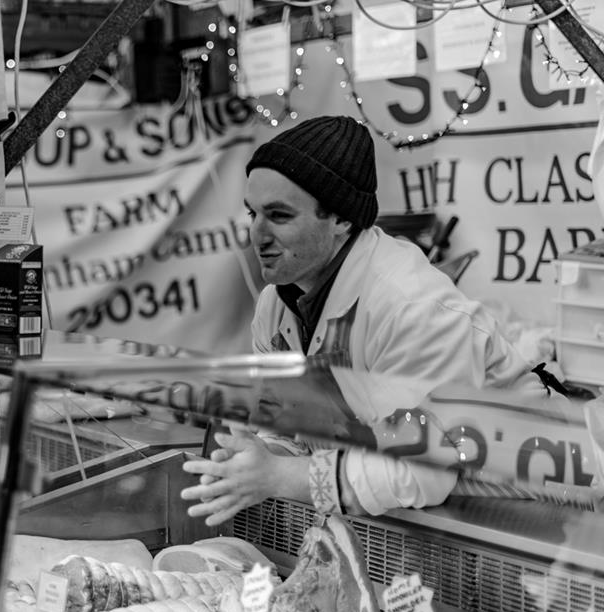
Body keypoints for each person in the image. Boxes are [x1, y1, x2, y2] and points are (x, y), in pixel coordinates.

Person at [182, 115, 546, 525]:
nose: (257, 234)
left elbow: (421, 468)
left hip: (530, 513)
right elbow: (287, 430)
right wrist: (260, 460)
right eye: (253, 213)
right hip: (422, 519)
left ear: (341, 219)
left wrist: (280, 476)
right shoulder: (275, 306)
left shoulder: (411, 307)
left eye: (279, 215)